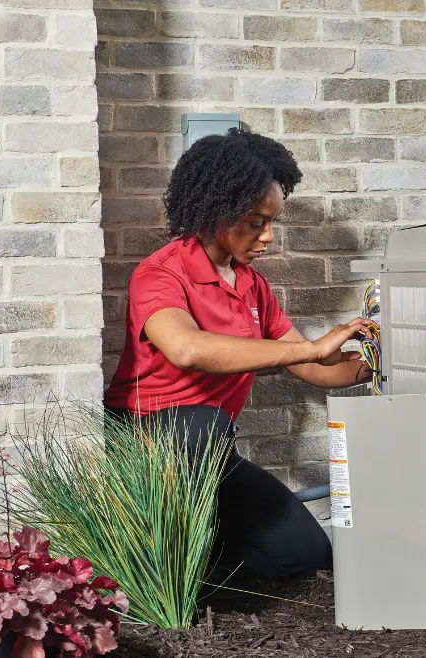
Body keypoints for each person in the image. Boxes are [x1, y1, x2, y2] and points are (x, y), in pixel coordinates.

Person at [103, 127, 377, 582]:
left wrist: (377, 362)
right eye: (255, 221)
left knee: (308, 555)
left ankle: (199, 577)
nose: (268, 236)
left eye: (272, 221)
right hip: (149, 440)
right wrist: (311, 346)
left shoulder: (251, 284)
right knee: (205, 423)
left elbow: (310, 365)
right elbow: (187, 349)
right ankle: (162, 563)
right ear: (218, 211)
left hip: (206, 449)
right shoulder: (160, 274)